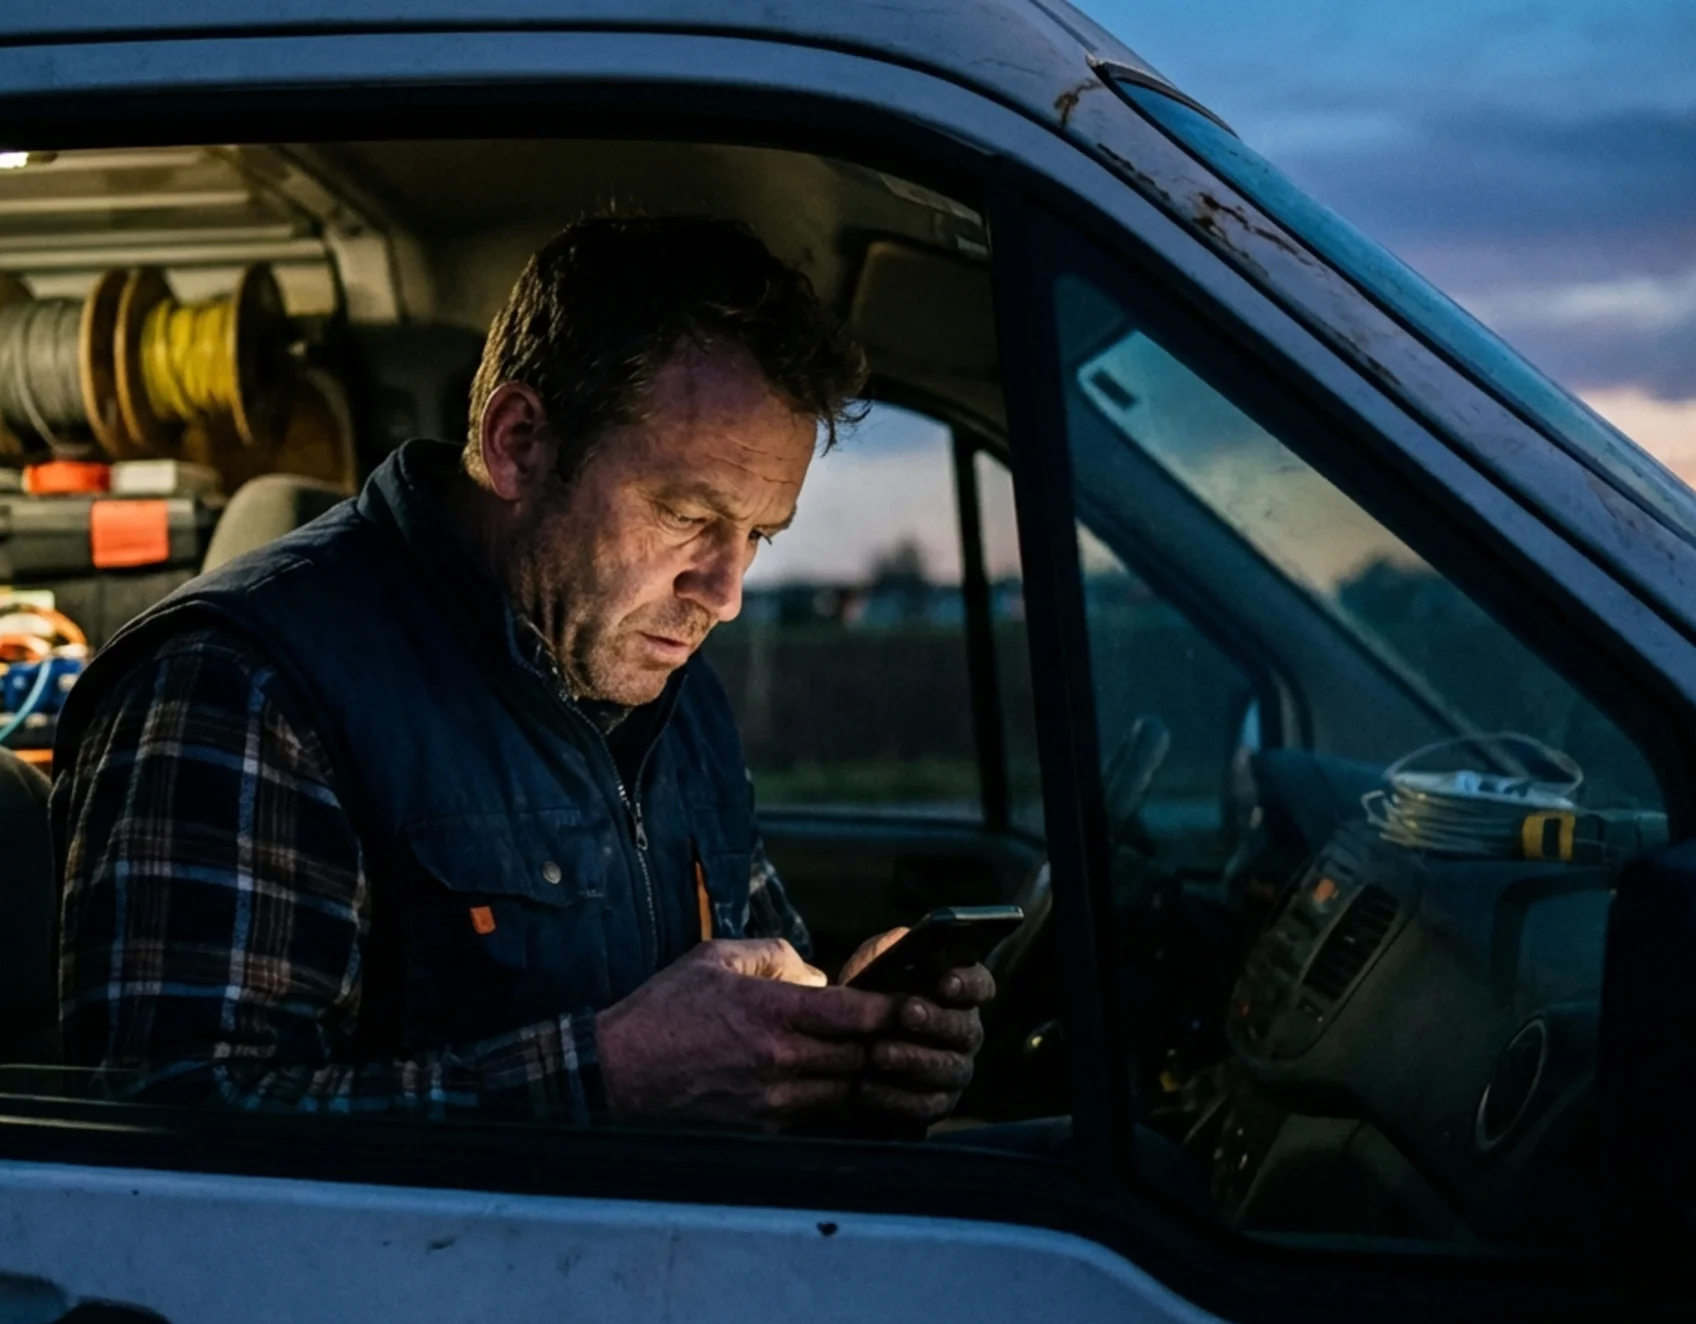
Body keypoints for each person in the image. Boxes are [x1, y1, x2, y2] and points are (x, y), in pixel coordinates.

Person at [51, 215, 993, 1133]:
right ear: (519, 444)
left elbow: (744, 993)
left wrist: (843, 1051)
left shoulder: (668, 678)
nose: (726, 591)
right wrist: (604, 1081)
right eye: (684, 514)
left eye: (757, 536)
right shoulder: (244, 688)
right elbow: (168, 1137)